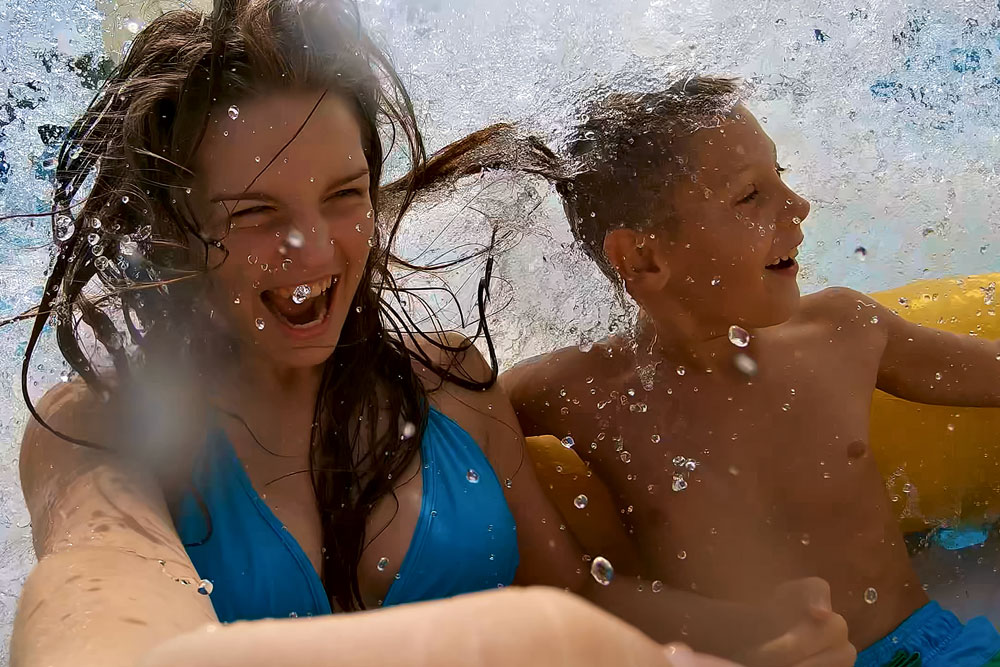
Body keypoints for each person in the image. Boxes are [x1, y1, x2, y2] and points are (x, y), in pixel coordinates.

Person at [5, 2, 751, 664]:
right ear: (178, 231)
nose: (317, 250)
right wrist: (543, 639)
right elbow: (99, 603)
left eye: (343, 196)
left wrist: (755, 630)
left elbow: (573, 584)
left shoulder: (452, 382)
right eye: (256, 214)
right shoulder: (97, 431)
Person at [450, 79, 997, 666]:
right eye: (750, 196)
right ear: (643, 258)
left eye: (780, 176)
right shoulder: (581, 393)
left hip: (926, 651)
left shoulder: (841, 332)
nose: (798, 205)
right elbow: (456, 421)